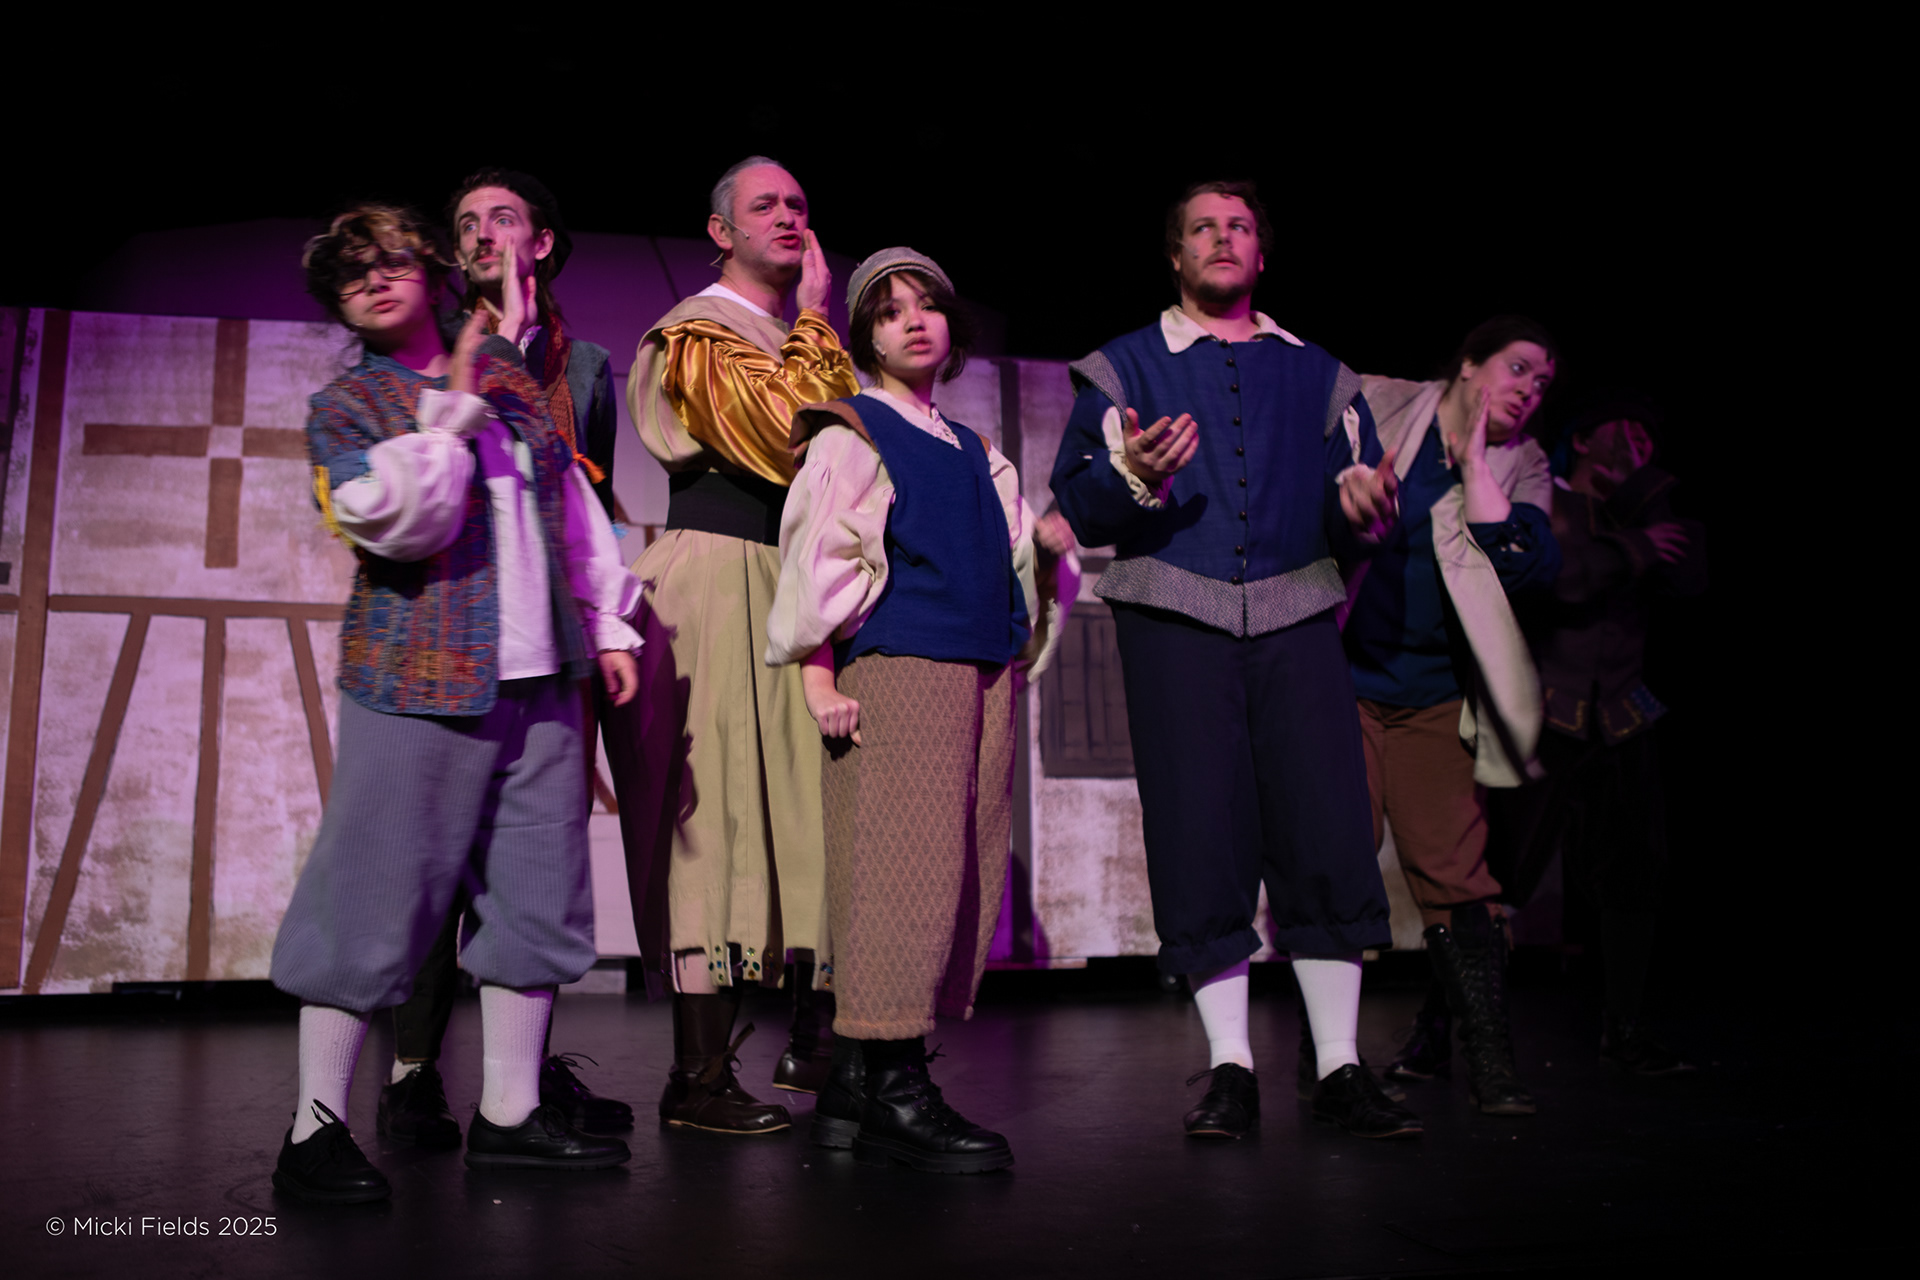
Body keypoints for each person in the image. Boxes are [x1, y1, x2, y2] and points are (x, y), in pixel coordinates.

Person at [268, 205, 642, 1202]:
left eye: (391, 259)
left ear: (430, 270)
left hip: (541, 676)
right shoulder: (349, 407)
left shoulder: (509, 378)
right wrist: (448, 412)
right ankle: (314, 1130)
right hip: (414, 679)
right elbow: (401, 523)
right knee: (368, 898)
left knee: (536, 896)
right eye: (351, 273)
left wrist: (606, 624)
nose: (373, 277)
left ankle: (511, 1113)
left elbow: (568, 505)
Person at [1050, 181, 1420, 1141]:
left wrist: (1358, 510)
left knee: (1326, 829)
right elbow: (1079, 506)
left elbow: (1360, 505)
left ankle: (1339, 1066)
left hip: (1296, 619)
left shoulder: (1320, 376)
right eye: (1203, 228)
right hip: (1177, 619)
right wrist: (1133, 475)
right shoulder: (1124, 369)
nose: (1222, 238)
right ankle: (1230, 1067)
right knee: (1200, 830)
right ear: (1175, 255)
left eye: (1240, 226)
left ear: (1262, 253)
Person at [766, 247, 1074, 1173]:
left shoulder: (977, 452)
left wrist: (1045, 556)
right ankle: (896, 1087)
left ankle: (854, 1085)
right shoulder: (854, 431)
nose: (912, 320)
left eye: (927, 304)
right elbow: (820, 558)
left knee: (953, 867)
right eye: (889, 310)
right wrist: (818, 674)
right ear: (866, 338)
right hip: (901, 669)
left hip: (976, 673)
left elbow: (1010, 564)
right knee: (898, 872)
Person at [603, 157, 859, 1134]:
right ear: (720, 231)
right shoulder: (696, 331)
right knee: (711, 818)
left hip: (798, 577)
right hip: (719, 575)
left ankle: (818, 1040)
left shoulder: (794, 335)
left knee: (811, 804)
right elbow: (788, 440)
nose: (789, 216)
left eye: (799, 203)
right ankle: (698, 1075)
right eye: (765, 205)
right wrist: (818, 323)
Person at [375, 168, 630, 1150]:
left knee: (531, 860)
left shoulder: (587, 367)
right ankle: (410, 1076)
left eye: (503, 218)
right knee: (433, 865)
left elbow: (586, 503)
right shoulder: (424, 344)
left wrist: (602, 629)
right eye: (467, 223)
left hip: (546, 640)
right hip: (444, 628)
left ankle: (519, 1086)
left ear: (544, 242)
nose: (482, 234)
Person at [1352, 316, 1563, 1115]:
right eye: (1518, 368)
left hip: (1435, 696)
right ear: (1470, 364)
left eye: (1543, 384)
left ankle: (1491, 1063)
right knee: (1336, 858)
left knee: (1458, 875)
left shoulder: (1524, 462)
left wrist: (1475, 463)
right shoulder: (1379, 403)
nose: (1529, 391)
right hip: (1341, 681)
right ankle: (1328, 1057)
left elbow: (1525, 567)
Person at [1489, 395, 1705, 1074]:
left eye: (1648, 433)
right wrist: (1634, 548)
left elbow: (1690, 576)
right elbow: (1564, 576)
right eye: (1625, 428)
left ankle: (1625, 1029)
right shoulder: (1544, 496)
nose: (1638, 441)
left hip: (1621, 714)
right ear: (1583, 439)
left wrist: (1645, 500)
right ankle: (1441, 1030)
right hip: (1544, 713)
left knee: (1635, 874)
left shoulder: (1644, 509)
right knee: (1499, 876)